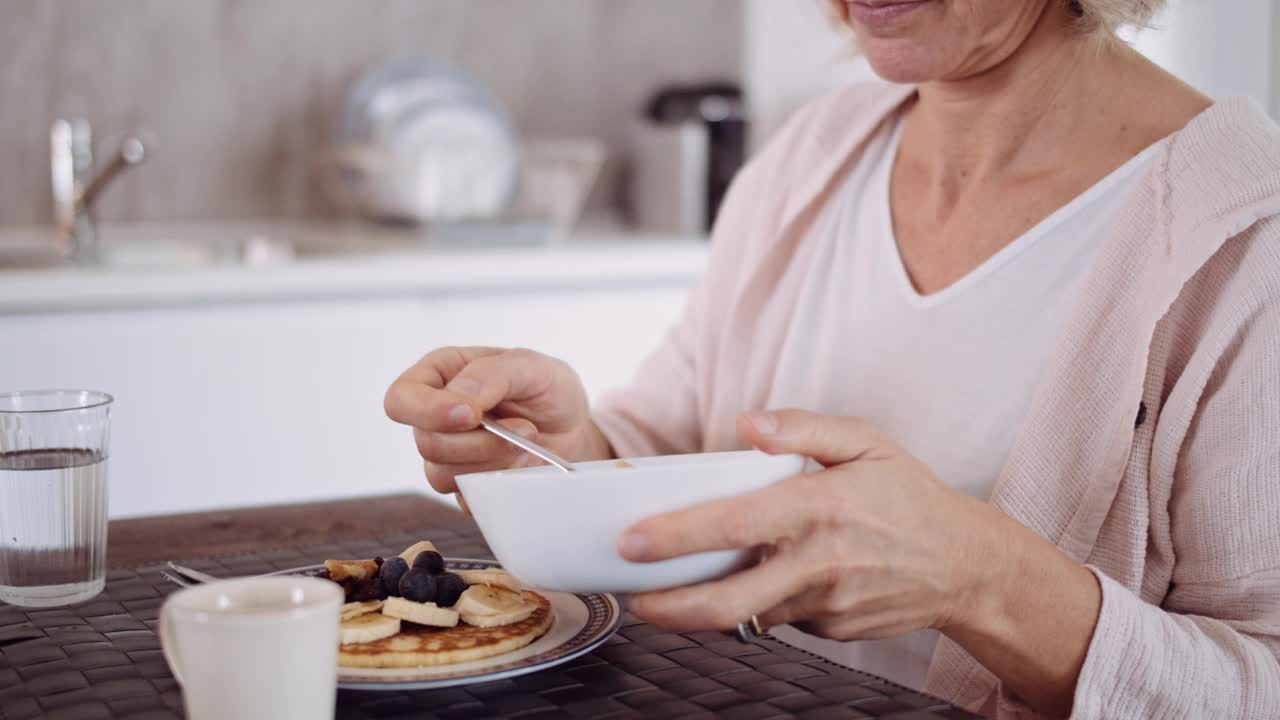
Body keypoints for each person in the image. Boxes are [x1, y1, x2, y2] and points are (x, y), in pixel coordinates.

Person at [384, 0, 1280, 716]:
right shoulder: (812, 157)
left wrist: (983, 581)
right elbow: (674, 443)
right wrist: (574, 453)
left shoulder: (1246, 238)